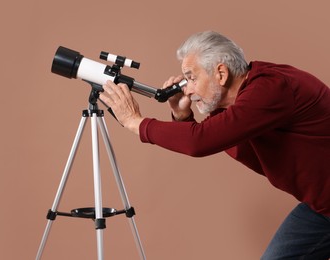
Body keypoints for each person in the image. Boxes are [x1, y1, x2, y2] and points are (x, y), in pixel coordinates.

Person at [99, 31, 330, 259]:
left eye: (191, 78)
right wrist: (183, 117)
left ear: (220, 73)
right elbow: (216, 137)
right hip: (321, 207)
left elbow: (200, 141)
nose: (187, 89)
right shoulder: (243, 102)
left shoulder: (270, 89)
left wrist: (134, 122)